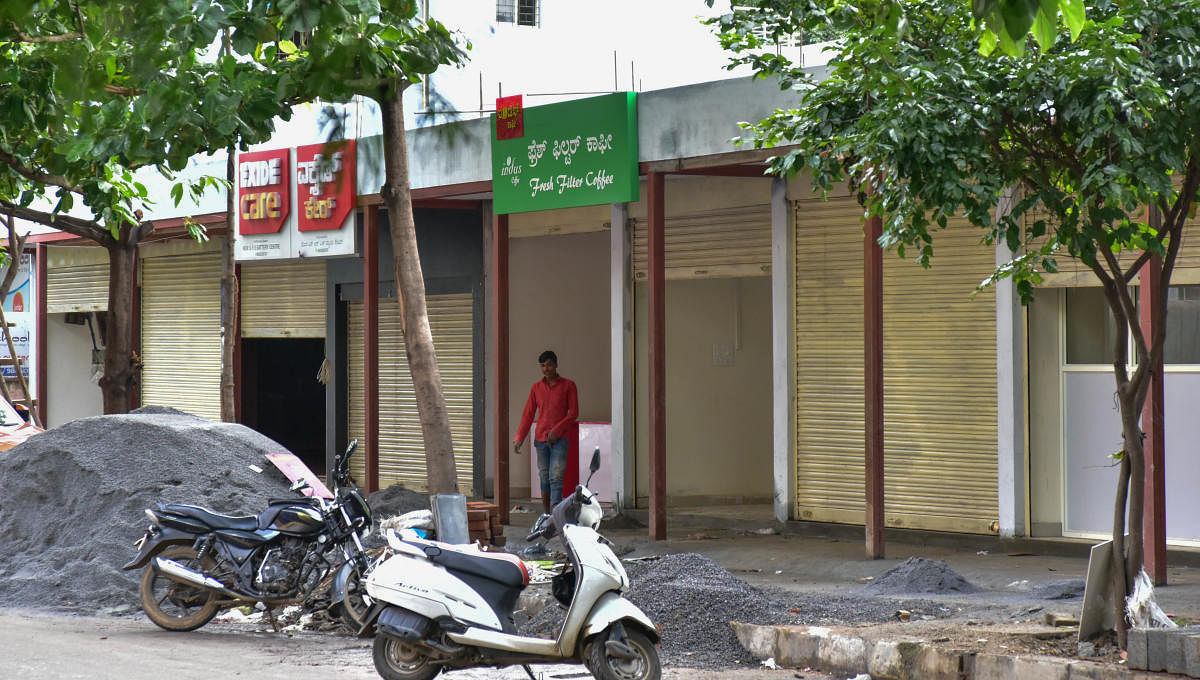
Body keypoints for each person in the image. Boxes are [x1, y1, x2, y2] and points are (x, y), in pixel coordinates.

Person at [513, 350, 578, 514]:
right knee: (544, 476)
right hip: (541, 440)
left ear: (556, 365)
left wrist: (557, 430)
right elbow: (528, 414)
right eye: (543, 366)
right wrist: (519, 437)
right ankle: (546, 514)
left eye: (549, 364)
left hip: (560, 439)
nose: (546, 369)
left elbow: (573, 413)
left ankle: (556, 516)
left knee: (556, 476)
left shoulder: (569, 385)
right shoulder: (536, 388)